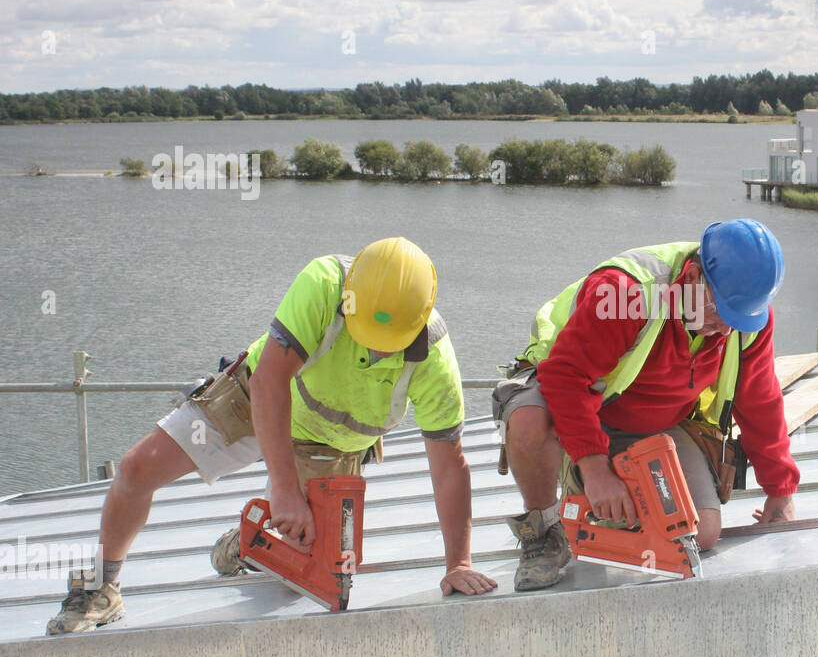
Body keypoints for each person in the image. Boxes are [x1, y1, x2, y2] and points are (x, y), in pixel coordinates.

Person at [47, 237, 496, 635]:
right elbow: (268, 382)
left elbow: (448, 468)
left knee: (311, 577)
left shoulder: (436, 361)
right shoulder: (323, 282)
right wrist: (284, 490)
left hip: (331, 444)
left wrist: (458, 564)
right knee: (136, 469)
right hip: (256, 396)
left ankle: (251, 540)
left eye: (390, 339)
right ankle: (102, 588)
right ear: (350, 297)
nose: (377, 347)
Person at [492, 219, 798, 591]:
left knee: (700, 533)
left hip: (655, 423)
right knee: (526, 422)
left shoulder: (747, 318)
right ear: (693, 279)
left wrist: (780, 493)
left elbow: (760, 398)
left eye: (738, 319)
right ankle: (544, 533)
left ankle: (599, 505)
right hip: (568, 398)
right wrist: (595, 468)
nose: (727, 330)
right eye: (719, 314)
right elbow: (566, 377)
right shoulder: (625, 295)